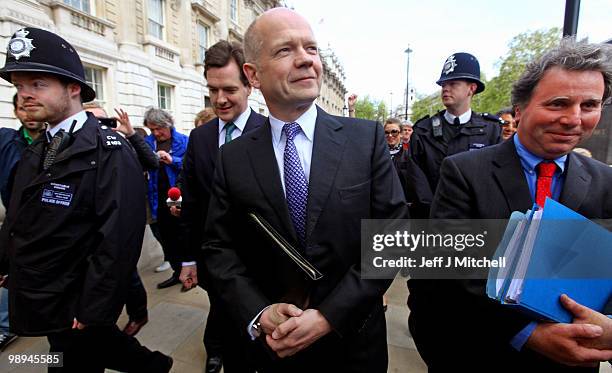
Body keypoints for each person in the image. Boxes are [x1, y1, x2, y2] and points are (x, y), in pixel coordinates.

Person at [201, 8, 407, 372]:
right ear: (253, 74)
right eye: (285, 51)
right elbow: (219, 248)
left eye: (311, 49)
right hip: (270, 352)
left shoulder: (366, 139)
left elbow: (393, 235)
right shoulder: (232, 157)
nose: (306, 61)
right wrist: (258, 312)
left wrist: (329, 315)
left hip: (354, 344)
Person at [408, 39, 612, 371]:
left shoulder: (605, 183)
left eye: (589, 105)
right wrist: (527, 334)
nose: (574, 119)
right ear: (519, 109)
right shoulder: (465, 172)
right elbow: (451, 277)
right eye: (558, 103)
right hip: (482, 353)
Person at [0, 27, 171, 372]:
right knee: (75, 350)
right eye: (19, 86)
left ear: (73, 88)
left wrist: (94, 307)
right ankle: (153, 366)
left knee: (70, 359)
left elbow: (118, 238)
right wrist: (7, 263)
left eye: (38, 84)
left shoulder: (109, 150)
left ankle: (152, 365)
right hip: (45, 293)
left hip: (78, 298)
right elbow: (23, 218)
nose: (25, 95)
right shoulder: (39, 148)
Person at [178, 40, 266, 373]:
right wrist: (188, 258)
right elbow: (192, 203)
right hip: (213, 262)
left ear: (249, 84)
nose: (219, 99)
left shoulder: (272, 133)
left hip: (261, 265)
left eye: (229, 89)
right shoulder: (200, 139)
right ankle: (219, 353)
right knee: (225, 321)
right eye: (212, 90)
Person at [83, 103, 156, 337]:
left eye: (105, 122)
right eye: (93, 122)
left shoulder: (121, 145)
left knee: (127, 275)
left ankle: (138, 314)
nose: (100, 128)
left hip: (121, 226)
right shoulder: (77, 147)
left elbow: (152, 162)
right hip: (90, 230)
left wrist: (131, 134)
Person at [408, 52, 502, 215]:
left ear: (471, 89)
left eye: (453, 84)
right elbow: (416, 180)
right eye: (443, 84)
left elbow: (496, 180)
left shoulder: (491, 131)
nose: (445, 89)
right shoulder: (424, 131)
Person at [0, 93, 44, 350]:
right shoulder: (8, 142)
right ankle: (5, 326)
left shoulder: (62, 141)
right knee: (13, 272)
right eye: (22, 109)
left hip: (52, 222)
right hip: (19, 222)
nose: (29, 114)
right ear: (16, 112)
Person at [143, 108, 188, 289]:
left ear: (168, 124)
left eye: (159, 129)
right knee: (166, 237)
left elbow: (189, 167)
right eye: (152, 129)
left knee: (181, 235)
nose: (156, 133)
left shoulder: (184, 141)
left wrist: (172, 160)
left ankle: (189, 273)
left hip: (176, 195)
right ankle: (177, 273)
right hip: (155, 197)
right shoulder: (147, 142)